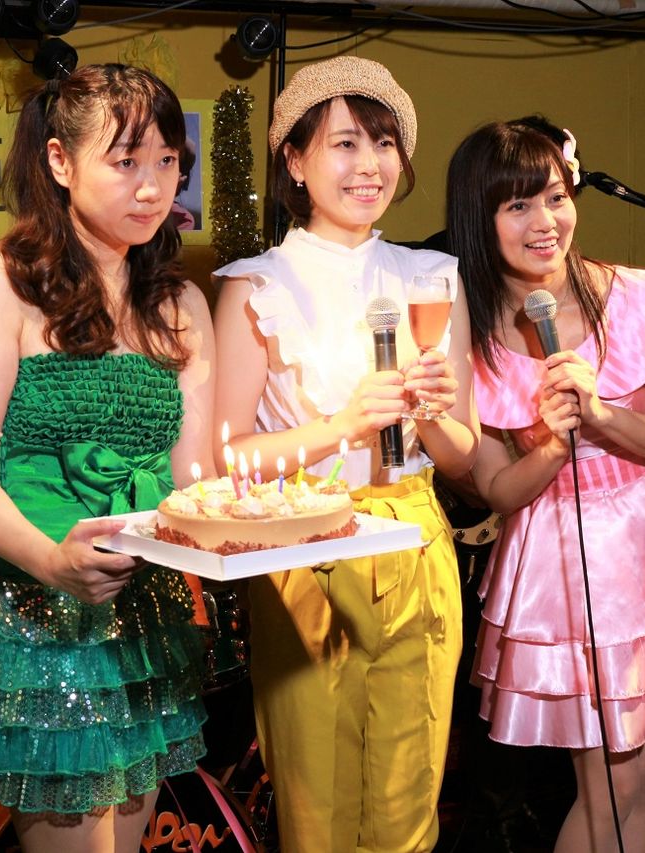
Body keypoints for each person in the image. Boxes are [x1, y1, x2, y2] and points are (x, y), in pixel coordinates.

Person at [447, 117, 645, 853]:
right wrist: (552, 447)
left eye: (556, 198)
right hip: (558, 560)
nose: (545, 222)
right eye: (518, 205)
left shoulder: (634, 297)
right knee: (608, 793)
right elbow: (497, 490)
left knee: (638, 787)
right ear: (479, 216)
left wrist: (600, 415)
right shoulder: (473, 337)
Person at [0, 64, 215, 852]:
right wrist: (52, 562)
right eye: (125, 161)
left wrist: (275, 529)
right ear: (59, 161)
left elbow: (194, 480)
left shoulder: (180, 302)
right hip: (30, 613)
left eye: (167, 161)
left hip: (145, 614)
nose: (152, 186)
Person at [212, 55, 478, 853]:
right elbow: (229, 458)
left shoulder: (431, 277)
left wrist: (430, 413)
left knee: (409, 795)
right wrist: (344, 424)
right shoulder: (257, 286)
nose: (370, 165)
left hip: (416, 540)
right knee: (315, 798)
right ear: (295, 161)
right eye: (345, 144)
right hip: (305, 546)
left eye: (384, 144)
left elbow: (463, 454)